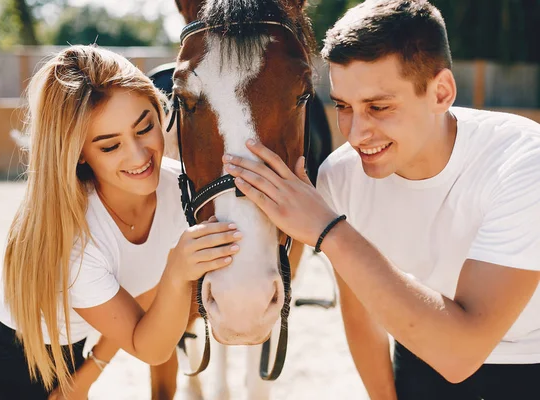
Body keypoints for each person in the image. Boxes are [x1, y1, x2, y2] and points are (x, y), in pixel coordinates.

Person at [220, 1, 540, 399]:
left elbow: (462, 352)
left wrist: (328, 230)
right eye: (343, 107)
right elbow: (363, 315)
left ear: (441, 92)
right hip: (417, 351)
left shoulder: (524, 161)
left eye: (379, 107)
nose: (355, 134)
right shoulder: (340, 177)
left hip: (526, 365)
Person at [0, 45, 242, 400]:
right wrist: (176, 274)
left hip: (68, 351)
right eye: (109, 146)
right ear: (79, 154)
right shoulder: (76, 238)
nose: (139, 156)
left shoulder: (182, 190)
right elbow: (149, 347)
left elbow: (137, 297)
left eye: (144, 127)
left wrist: (88, 374)